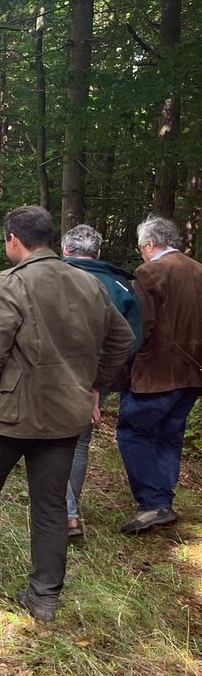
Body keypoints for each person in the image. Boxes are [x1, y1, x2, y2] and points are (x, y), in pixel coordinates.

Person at [0, 206, 133, 622]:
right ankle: (44, 596)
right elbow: (122, 341)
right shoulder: (89, 283)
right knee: (51, 504)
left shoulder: (13, 281)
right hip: (66, 413)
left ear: (14, 239)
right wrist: (92, 385)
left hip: (10, 411)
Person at [116, 215, 202, 536]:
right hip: (192, 375)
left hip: (155, 374)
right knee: (170, 435)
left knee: (133, 432)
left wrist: (121, 365)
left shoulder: (150, 273)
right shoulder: (199, 270)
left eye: (141, 248)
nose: (141, 254)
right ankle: (162, 500)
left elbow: (141, 327)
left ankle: (153, 503)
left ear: (150, 244)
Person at [61, 224, 142, 540]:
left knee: (48, 440)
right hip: (100, 375)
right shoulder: (121, 287)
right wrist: (100, 383)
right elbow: (130, 340)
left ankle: (66, 514)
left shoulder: (48, 277)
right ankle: (68, 513)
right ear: (97, 253)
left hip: (54, 373)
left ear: (65, 250)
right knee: (79, 440)